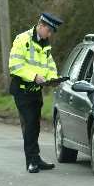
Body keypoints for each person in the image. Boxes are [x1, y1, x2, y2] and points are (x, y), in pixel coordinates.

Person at [8, 12, 63, 173]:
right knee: (30, 124)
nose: (50, 34)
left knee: (35, 125)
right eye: (49, 30)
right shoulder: (22, 39)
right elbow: (15, 65)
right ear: (41, 26)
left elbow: (49, 64)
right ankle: (31, 161)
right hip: (22, 90)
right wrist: (34, 76)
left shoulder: (44, 43)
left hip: (36, 91)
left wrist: (53, 78)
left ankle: (36, 158)